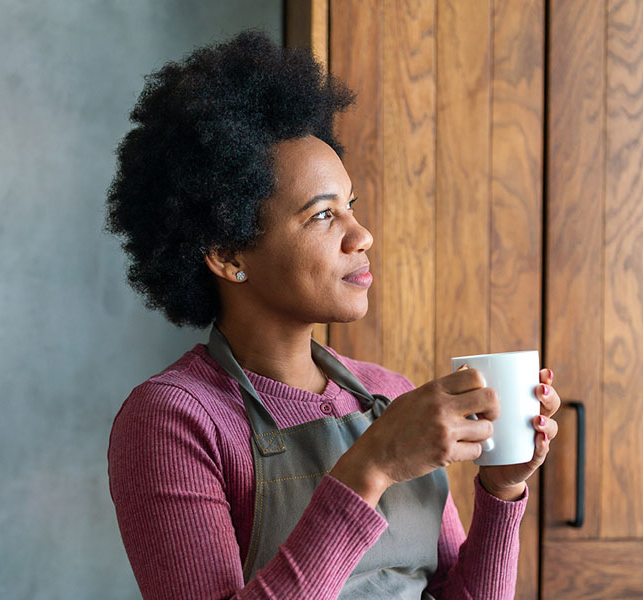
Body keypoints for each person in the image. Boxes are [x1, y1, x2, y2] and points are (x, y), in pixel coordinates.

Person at [105, 30, 561, 600]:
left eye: (351, 206)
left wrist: (500, 491)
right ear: (227, 255)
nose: (362, 235)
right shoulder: (171, 421)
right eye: (323, 215)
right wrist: (370, 467)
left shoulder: (389, 396)